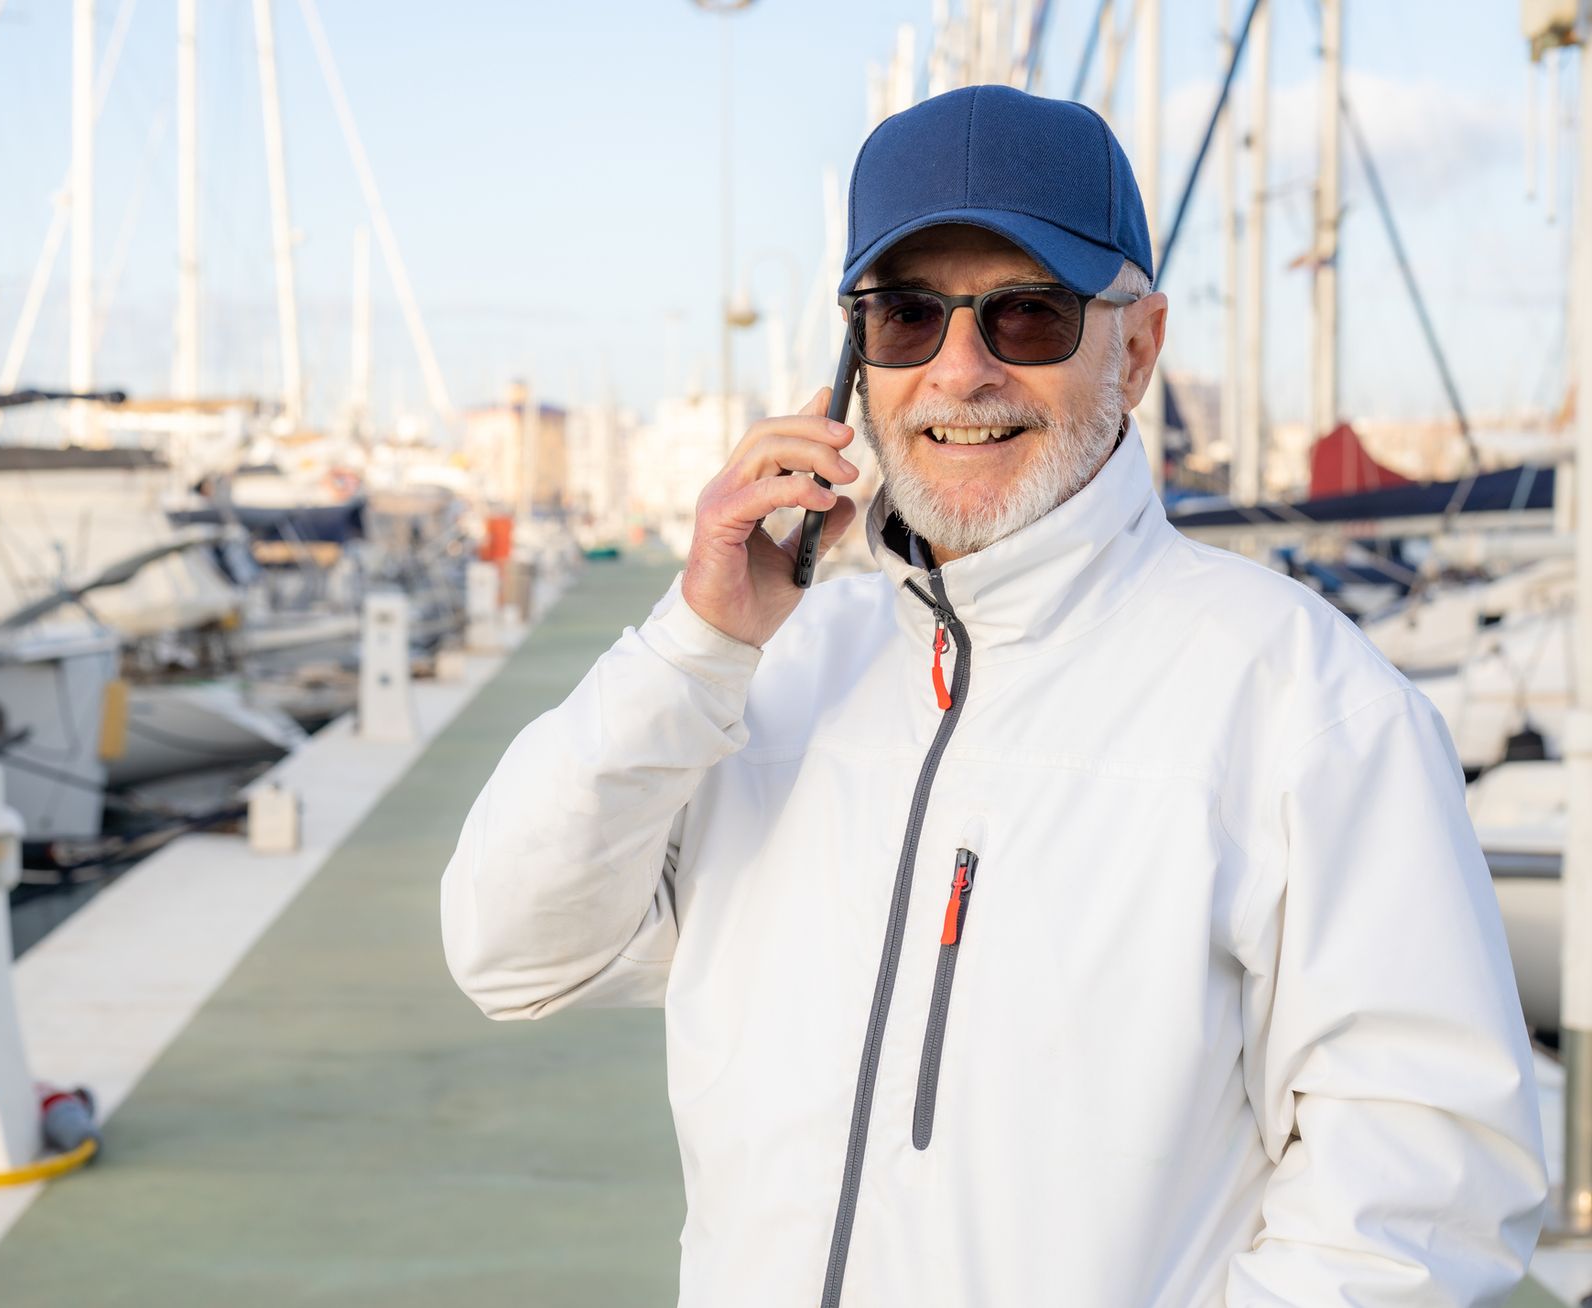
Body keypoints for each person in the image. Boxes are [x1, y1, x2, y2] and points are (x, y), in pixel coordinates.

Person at [440, 84, 1545, 1306]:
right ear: (855, 359)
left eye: (1027, 314)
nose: (959, 372)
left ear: (1134, 344)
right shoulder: (767, 671)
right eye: (906, 315)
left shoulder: (1304, 703)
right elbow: (508, 950)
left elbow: (1423, 1197)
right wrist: (699, 641)